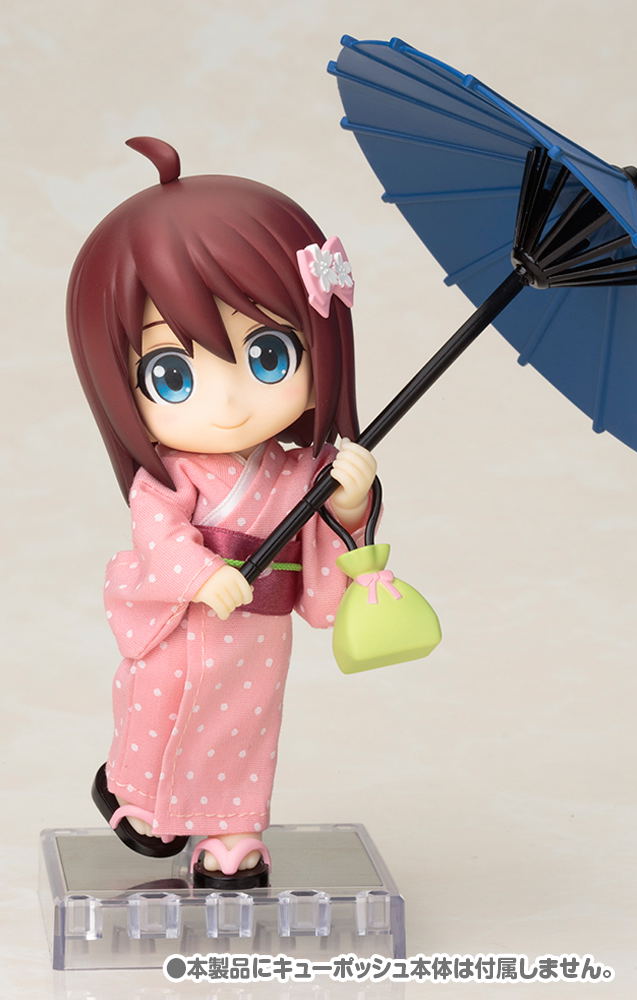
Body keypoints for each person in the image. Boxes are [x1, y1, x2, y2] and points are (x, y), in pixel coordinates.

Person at [66, 136, 376, 887]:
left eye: (269, 356)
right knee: (161, 709)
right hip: (186, 621)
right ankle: (138, 796)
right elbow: (158, 534)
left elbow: (325, 583)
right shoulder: (167, 479)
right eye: (171, 373)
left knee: (246, 724)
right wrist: (202, 574)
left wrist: (349, 501)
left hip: (255, 636)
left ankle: (233, 830)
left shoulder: (301, 473)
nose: (230, 400)